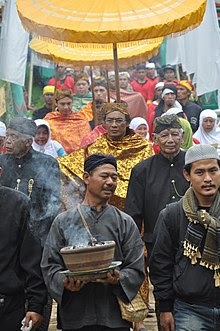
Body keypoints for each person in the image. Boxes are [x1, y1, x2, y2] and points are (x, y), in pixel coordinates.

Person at [41, 153, 145, 331]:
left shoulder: (124, 221)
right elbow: (50, 265)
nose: (111, 182)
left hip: (113, 317)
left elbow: (136, 267)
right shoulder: (64, 220)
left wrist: (119, 277)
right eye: (104, 176)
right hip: (76, 316)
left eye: (114, 177)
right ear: (86, 178)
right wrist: (65, 282)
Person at [149, 144, 220, 331]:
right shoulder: (172, 215)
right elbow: (160, 264)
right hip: (190, 309)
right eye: (200, 172)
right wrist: (164, 308)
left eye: (213, 171)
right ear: (187, 175)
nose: (207, 179)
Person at [0, 117, 61, 331]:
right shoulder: (2, 163)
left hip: (38, 239)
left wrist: (37, 233)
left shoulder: (47, 164)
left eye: (13, 137)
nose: (7, 141)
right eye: (7, 135)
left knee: (37, 290)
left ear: (28, 141)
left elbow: (52, 204)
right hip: (7, 241)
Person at [59, 102, 154, 211]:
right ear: (103, 123)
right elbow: (71, 162)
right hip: (101, 202)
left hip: (133, 203)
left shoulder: (143, 146)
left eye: (119, 121)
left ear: (127, 122)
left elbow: (149, 175)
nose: (114, 125)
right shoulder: (97, 146)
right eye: (110, 121)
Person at [125, 114, 189, 257]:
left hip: (192, 239)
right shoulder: (142, 170)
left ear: (182, 136)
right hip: (156, 241)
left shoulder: (193, 165)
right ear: (155, 139)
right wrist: (134, 247)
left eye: (175, 134)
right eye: (164, 135)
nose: (170, 140)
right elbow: (133, 212)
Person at [0, 175, 47, 330]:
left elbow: (32, 258)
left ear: (0, 172)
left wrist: (36, 305)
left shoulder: (18, 204)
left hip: (8, 305)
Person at [44, 88, 91, 153]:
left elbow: (87, 142)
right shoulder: (49, 120)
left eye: (69, 104)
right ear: (56, 103)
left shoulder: (81, 119)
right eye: (62, 104)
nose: (66, 107)